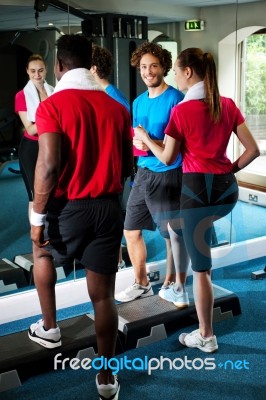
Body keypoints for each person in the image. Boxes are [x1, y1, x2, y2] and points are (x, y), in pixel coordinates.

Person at [134, 47, 260, 353]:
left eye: (176, 70)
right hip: (226, 192)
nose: (175, 76)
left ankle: (206, 335)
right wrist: (227, 171)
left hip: (196, 193)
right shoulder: (227, 105)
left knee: (201, 270)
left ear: (188, 72)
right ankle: (178, 278)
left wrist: (146, 137)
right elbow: (253, 150)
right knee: (181, 229)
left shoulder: (182, 110)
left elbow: (167, 156)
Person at [29, 34, 133, 400]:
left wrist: (38, 216)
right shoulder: (117, 108)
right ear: (91, 63)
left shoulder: (52, 105)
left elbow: (49, 165)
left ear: (58, 66)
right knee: (103, 297)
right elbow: (126, 165)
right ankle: (106, 378)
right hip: (108, 207)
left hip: (67, 206)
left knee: (41, 252)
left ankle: (50, 328)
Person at [115, 41, 190, 306]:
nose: (148, 71)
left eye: (153, 66)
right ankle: (142, 283)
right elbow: (139, 139)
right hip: (143, 173)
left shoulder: (176, 99)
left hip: (168, 173)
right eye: (144, 67)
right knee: (130, 230)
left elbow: (176, 146)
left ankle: (172, 284)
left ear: (164, 68)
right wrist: (139, 143)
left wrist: (147, 139)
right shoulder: (137, 102)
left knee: (171, 234)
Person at [90, 43, 131, 270]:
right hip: (101, 166)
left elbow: (122, 136)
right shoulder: (101, 94)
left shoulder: (112, 97)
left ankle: (117, 261)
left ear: (93, 69)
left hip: (111, 167)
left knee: (111, 218)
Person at [15, 54, 54, 220]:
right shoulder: (21, 96)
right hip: (31, 148)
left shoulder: (53, 90)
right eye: (33, 71)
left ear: (46, 70)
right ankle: (36, 237)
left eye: (40, 70)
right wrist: (51, 120)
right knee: (35, 194)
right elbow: (30, 129)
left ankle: (50, 233)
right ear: (27, 72)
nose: (37, 75)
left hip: (50, 145)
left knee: (52, 191)